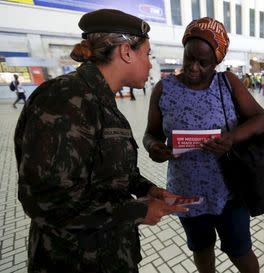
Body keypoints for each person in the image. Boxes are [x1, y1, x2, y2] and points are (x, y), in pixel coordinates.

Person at [14, 9, 188, 273]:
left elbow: (109, 172)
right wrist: (138, 212)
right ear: (126, 51)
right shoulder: (65, 99)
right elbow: (47, 201)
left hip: (112, 255)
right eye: (147, 54)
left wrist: (148, 190)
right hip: (72, 262)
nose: (151, 63)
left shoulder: (101, 99)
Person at [143, 17, 264, 273]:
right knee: (200, 248)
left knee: (240, 250)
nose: (193, 68)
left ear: (217, 62)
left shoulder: (227, 83)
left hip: (230, 190)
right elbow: (150, 134)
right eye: (189, 58)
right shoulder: (163, 89)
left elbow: (261, 119)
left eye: (204, 63)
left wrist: (232, 138)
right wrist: (155, 148)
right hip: (187, 193)